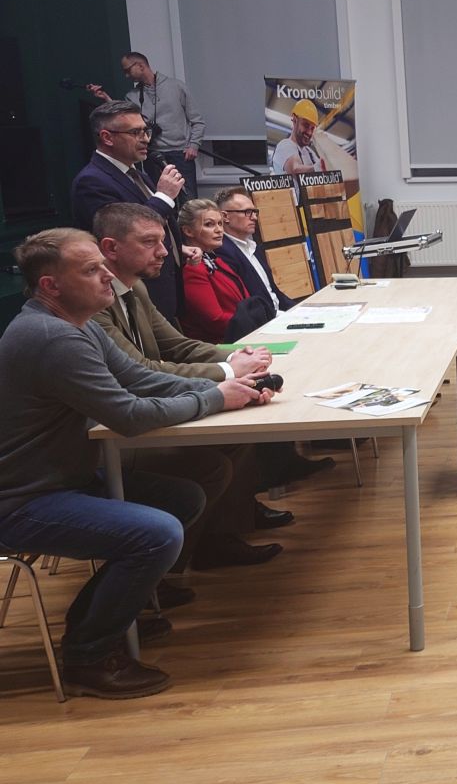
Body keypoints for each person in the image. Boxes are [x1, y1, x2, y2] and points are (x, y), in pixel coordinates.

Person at [0, 228, 270, 698]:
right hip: (24, 500)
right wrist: (215, 399)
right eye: (91, 270)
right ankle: (88, 655)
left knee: (184, 497)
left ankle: (119, 609)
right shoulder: (54, 338)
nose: (107, 276)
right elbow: (129, 414)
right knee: (156, 533)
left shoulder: (78, 323)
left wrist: (228, 391)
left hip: (65, 478)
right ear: (50, 286)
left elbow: (141, 379)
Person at [89, 203, 292, 568]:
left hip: (152, 404)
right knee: (212, 462)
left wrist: (236, 356)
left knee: (238, 435)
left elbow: (178, 345)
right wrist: (227, 373)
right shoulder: (93, 302)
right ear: (110, 248)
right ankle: (167, 566)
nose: (164, 252)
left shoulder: (136, 289)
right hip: (114, 428)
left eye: (162, 241)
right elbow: (140, 371)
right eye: (149, 242)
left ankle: (223, 535)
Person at [71, 101, 189, 322]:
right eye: (135, 132)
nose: (145, 139)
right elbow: (124, 233)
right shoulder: (92, 181)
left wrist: (177, 248)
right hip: (136, 291)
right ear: (107, 137)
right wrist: (164, 197)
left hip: (165, 285)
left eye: (146, 131)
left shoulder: (137, 174)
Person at [87, 52, 204, 197]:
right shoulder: (132, 96)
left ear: (140, 66)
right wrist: (106, 98)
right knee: (159, 197)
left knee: (189, 199)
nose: (126, 75)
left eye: (127, 70)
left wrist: (194, 145)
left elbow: (197, 121)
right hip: (152, 155)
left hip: (180, 154)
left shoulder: (176, 87)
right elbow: (125, 118)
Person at [177, 199, 253, 344]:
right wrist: (252, 321)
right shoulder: (192, 269)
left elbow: (246, 300)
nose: (219, 230)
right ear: (188, 231)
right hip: (221, 345)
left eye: (220, 223)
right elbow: (215, 321)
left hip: (242, 334)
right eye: (209, 224)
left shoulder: (215, 259)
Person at [211, 187, 296, 313]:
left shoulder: (253, 247)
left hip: (279, 314)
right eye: (248, 212)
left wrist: (299, 309)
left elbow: (274, 292)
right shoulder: (223, 251)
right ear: (225, 216)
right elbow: (249, 303)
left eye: (255, 212)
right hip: (264, 320)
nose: (254, 217)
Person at [271, 99, 328, 175]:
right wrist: (317, 168)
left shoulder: (310, 152)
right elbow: (295, 170)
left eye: (312, 128)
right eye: (306, 125)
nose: (309, 132)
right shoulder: (285, 145)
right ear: (295, 120)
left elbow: (324, 168)